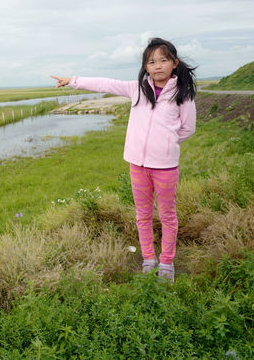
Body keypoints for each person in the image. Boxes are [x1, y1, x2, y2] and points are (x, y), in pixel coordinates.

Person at [51, 38, 197, 282]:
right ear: (145, 67)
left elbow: (187, 129)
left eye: (163, 60)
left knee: (167, 216)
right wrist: (73, 81)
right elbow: (106, 84)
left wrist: (166, 144)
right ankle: (149, 258)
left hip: (165, 168)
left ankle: (167, 262)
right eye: (151, 62)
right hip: (137, 166)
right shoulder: (137, 89)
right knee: (142, 215)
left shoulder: (183, 94)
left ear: (174, 63)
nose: (157, 66)